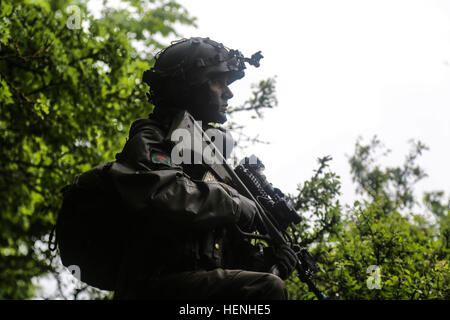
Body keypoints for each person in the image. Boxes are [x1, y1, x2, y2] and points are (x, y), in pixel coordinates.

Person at [111, 37, 297, 300]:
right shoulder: (154, 138)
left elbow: (222, 264)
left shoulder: (209, 163)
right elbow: (160, 192)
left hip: (190, 292)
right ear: (189, 87)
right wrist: (237, 204)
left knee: (266, 284)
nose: (228, 92)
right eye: (217, 81)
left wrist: (267, 264)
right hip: (150, 289)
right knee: (267, 290)